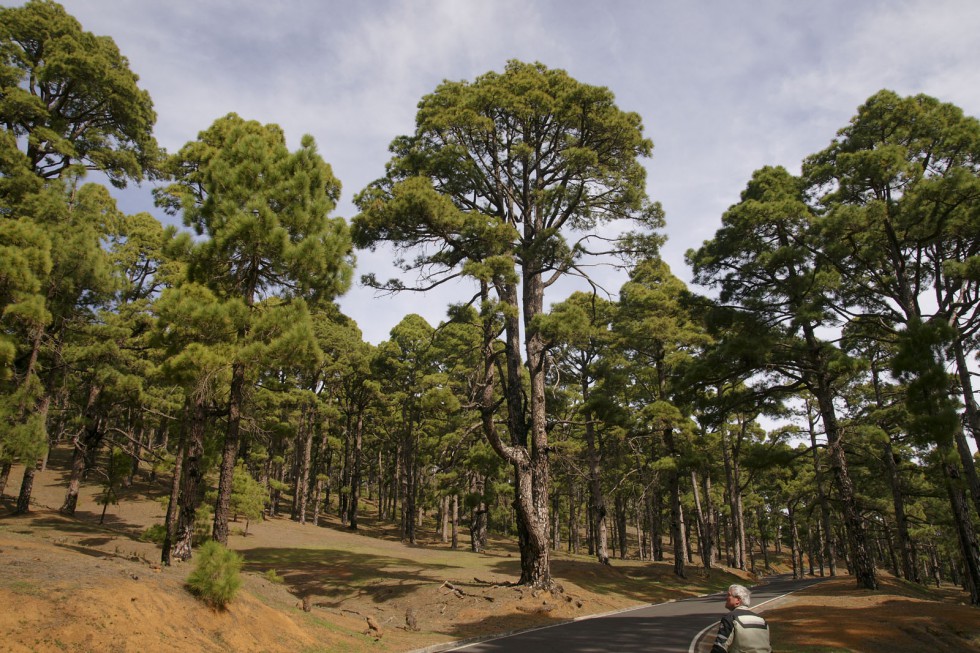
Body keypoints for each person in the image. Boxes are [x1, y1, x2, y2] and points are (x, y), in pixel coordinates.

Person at [710, 583, 772, 653]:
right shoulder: (762, 620)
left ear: (738, 600)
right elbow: (768, 647)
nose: (726, 598)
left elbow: (719, 647)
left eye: (729, 595)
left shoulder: (730, 618)